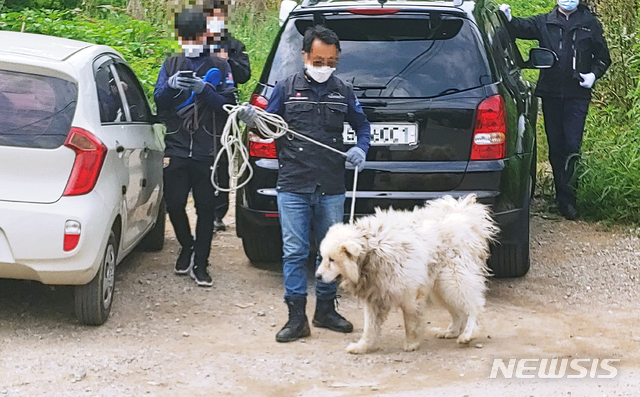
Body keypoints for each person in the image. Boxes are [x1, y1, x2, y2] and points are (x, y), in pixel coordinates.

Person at [238, 26, 371, 343]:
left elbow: (363, 126)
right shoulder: (285, 89)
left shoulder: (343, 92)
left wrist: (360, 149)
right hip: (293, 185)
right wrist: (252, 119)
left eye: (331, 61)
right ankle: (296, 318)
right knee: (295, 252)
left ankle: (325, 310)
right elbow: (267, 127)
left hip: (331, 186)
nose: (324, 66)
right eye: (318, 59)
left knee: (330, 253)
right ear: (305, 56)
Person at [500, 0, 610, 220]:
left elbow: (603, 57)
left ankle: (570, 199)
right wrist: (507, 17)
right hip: (551, 93)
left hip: (577, 95)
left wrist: (593, 75)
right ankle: (561, 196)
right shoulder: (545, 21)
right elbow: (519, 28)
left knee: (572, 144)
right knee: (556, 145)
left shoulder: (589, 23)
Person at [154, 6, 236, 287]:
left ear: (205, 35)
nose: (191, 42)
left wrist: (206, 90)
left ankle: (201, 262)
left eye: (196, 36)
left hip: (207, 149)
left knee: (206, 208)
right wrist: (173, 86)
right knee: (174, 203)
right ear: (179, 36)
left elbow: (229, 105)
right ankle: (186, 246)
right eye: (185, 37)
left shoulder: (221, 66)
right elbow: (159, 100)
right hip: (176, 148)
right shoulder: (171, 64)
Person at [201, 0, 252, 232]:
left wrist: (226, 61)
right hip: (199, 110)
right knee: (202, 160)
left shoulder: (234, 44)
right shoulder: (195, 42)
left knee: (223, 160)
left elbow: (244, 75)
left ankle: (218, 213)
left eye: (218, 15)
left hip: (225, 111)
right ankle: (203, 207)